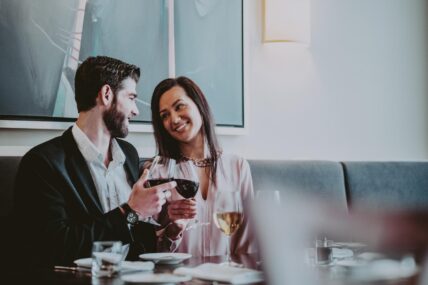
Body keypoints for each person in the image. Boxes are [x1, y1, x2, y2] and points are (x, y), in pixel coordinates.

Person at [12, 56, 176, 268]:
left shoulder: (129, 154)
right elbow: (52, 246)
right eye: (132, 98)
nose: (136, 111)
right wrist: (130, 211)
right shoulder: (42, 164)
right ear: (107, 94)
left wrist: (164, 229)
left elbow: (129, 231)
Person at [150, 76, 256, 257]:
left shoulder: (238, 167)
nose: (174, 119)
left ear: (199, 105)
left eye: (179, 106)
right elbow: (152, 250)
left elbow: (249, 241)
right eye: (165, 115)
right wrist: (173, 229)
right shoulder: (159, 173)